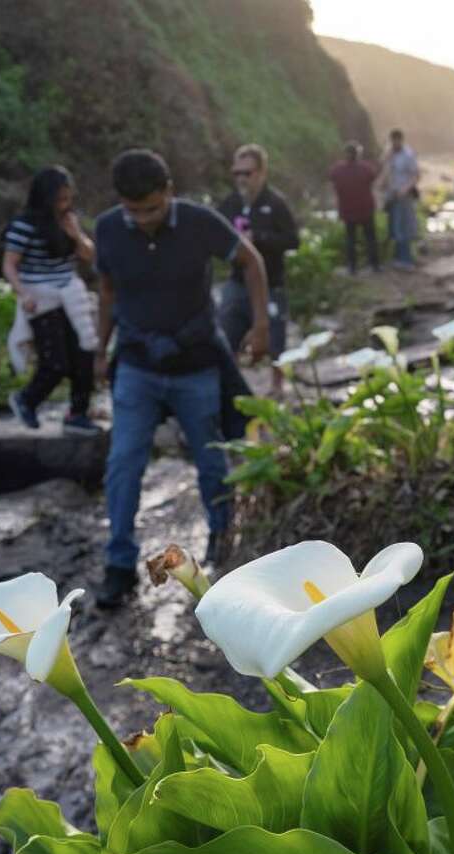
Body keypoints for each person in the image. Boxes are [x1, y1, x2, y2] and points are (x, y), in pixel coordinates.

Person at [92, 148, 270, 607]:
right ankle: (118, 564)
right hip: (136, 363)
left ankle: (221, 541)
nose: (145, 219)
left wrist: (261, 323)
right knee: (123, 462)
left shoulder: (198, 221)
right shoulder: (110, 229)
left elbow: (251, 261)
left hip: (195, 363)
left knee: (211, 459)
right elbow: (107, 292)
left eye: (152, 208)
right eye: (134, 211)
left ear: (169, 191)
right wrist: (99, 348)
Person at [3, 166, 102, 436]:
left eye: (68, 199)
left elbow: (90, 256)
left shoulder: (68, 220)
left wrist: (75, 234)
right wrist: (23, 294)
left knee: (84, 354)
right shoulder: (23, 225)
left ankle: (78, 413)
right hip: (41, 297)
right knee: (55, 362)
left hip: (70, 292)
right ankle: (27, 399)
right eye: (59, 199)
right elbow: (10, 265)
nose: (65, 205)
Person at [217, 144, 299, 395]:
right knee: (225, 334)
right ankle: (230, 387)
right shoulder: (229, 204)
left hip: (271, 283)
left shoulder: (275, 203)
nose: (241, 179)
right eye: (237, 173)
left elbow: (293, 240)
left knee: (275, 337)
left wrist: (260, 238)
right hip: (237, 282)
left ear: (262, 173)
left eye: (247, 173)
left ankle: (277, 386)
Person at [329, 141, 379, 274]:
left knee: (350, 239)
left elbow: (333, 186)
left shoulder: (337, 170)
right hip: (366, 209)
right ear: (358, 155)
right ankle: (375, 266)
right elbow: (374, 180)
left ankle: (352, 267)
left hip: (348, 210)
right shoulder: (366, 169)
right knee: (370, 238)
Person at [377, 128, 420, 269]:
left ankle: (406, 260)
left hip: (403, 196)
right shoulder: (390, 153)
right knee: (394, 227)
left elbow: (415, 175)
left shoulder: (408, 155)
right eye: (392, 141)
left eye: (396, 141)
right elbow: (382, 166)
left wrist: (405, 189)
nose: (394, 143)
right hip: (391, 195)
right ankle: (397, 258)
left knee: (403, 227)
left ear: (401, 140)